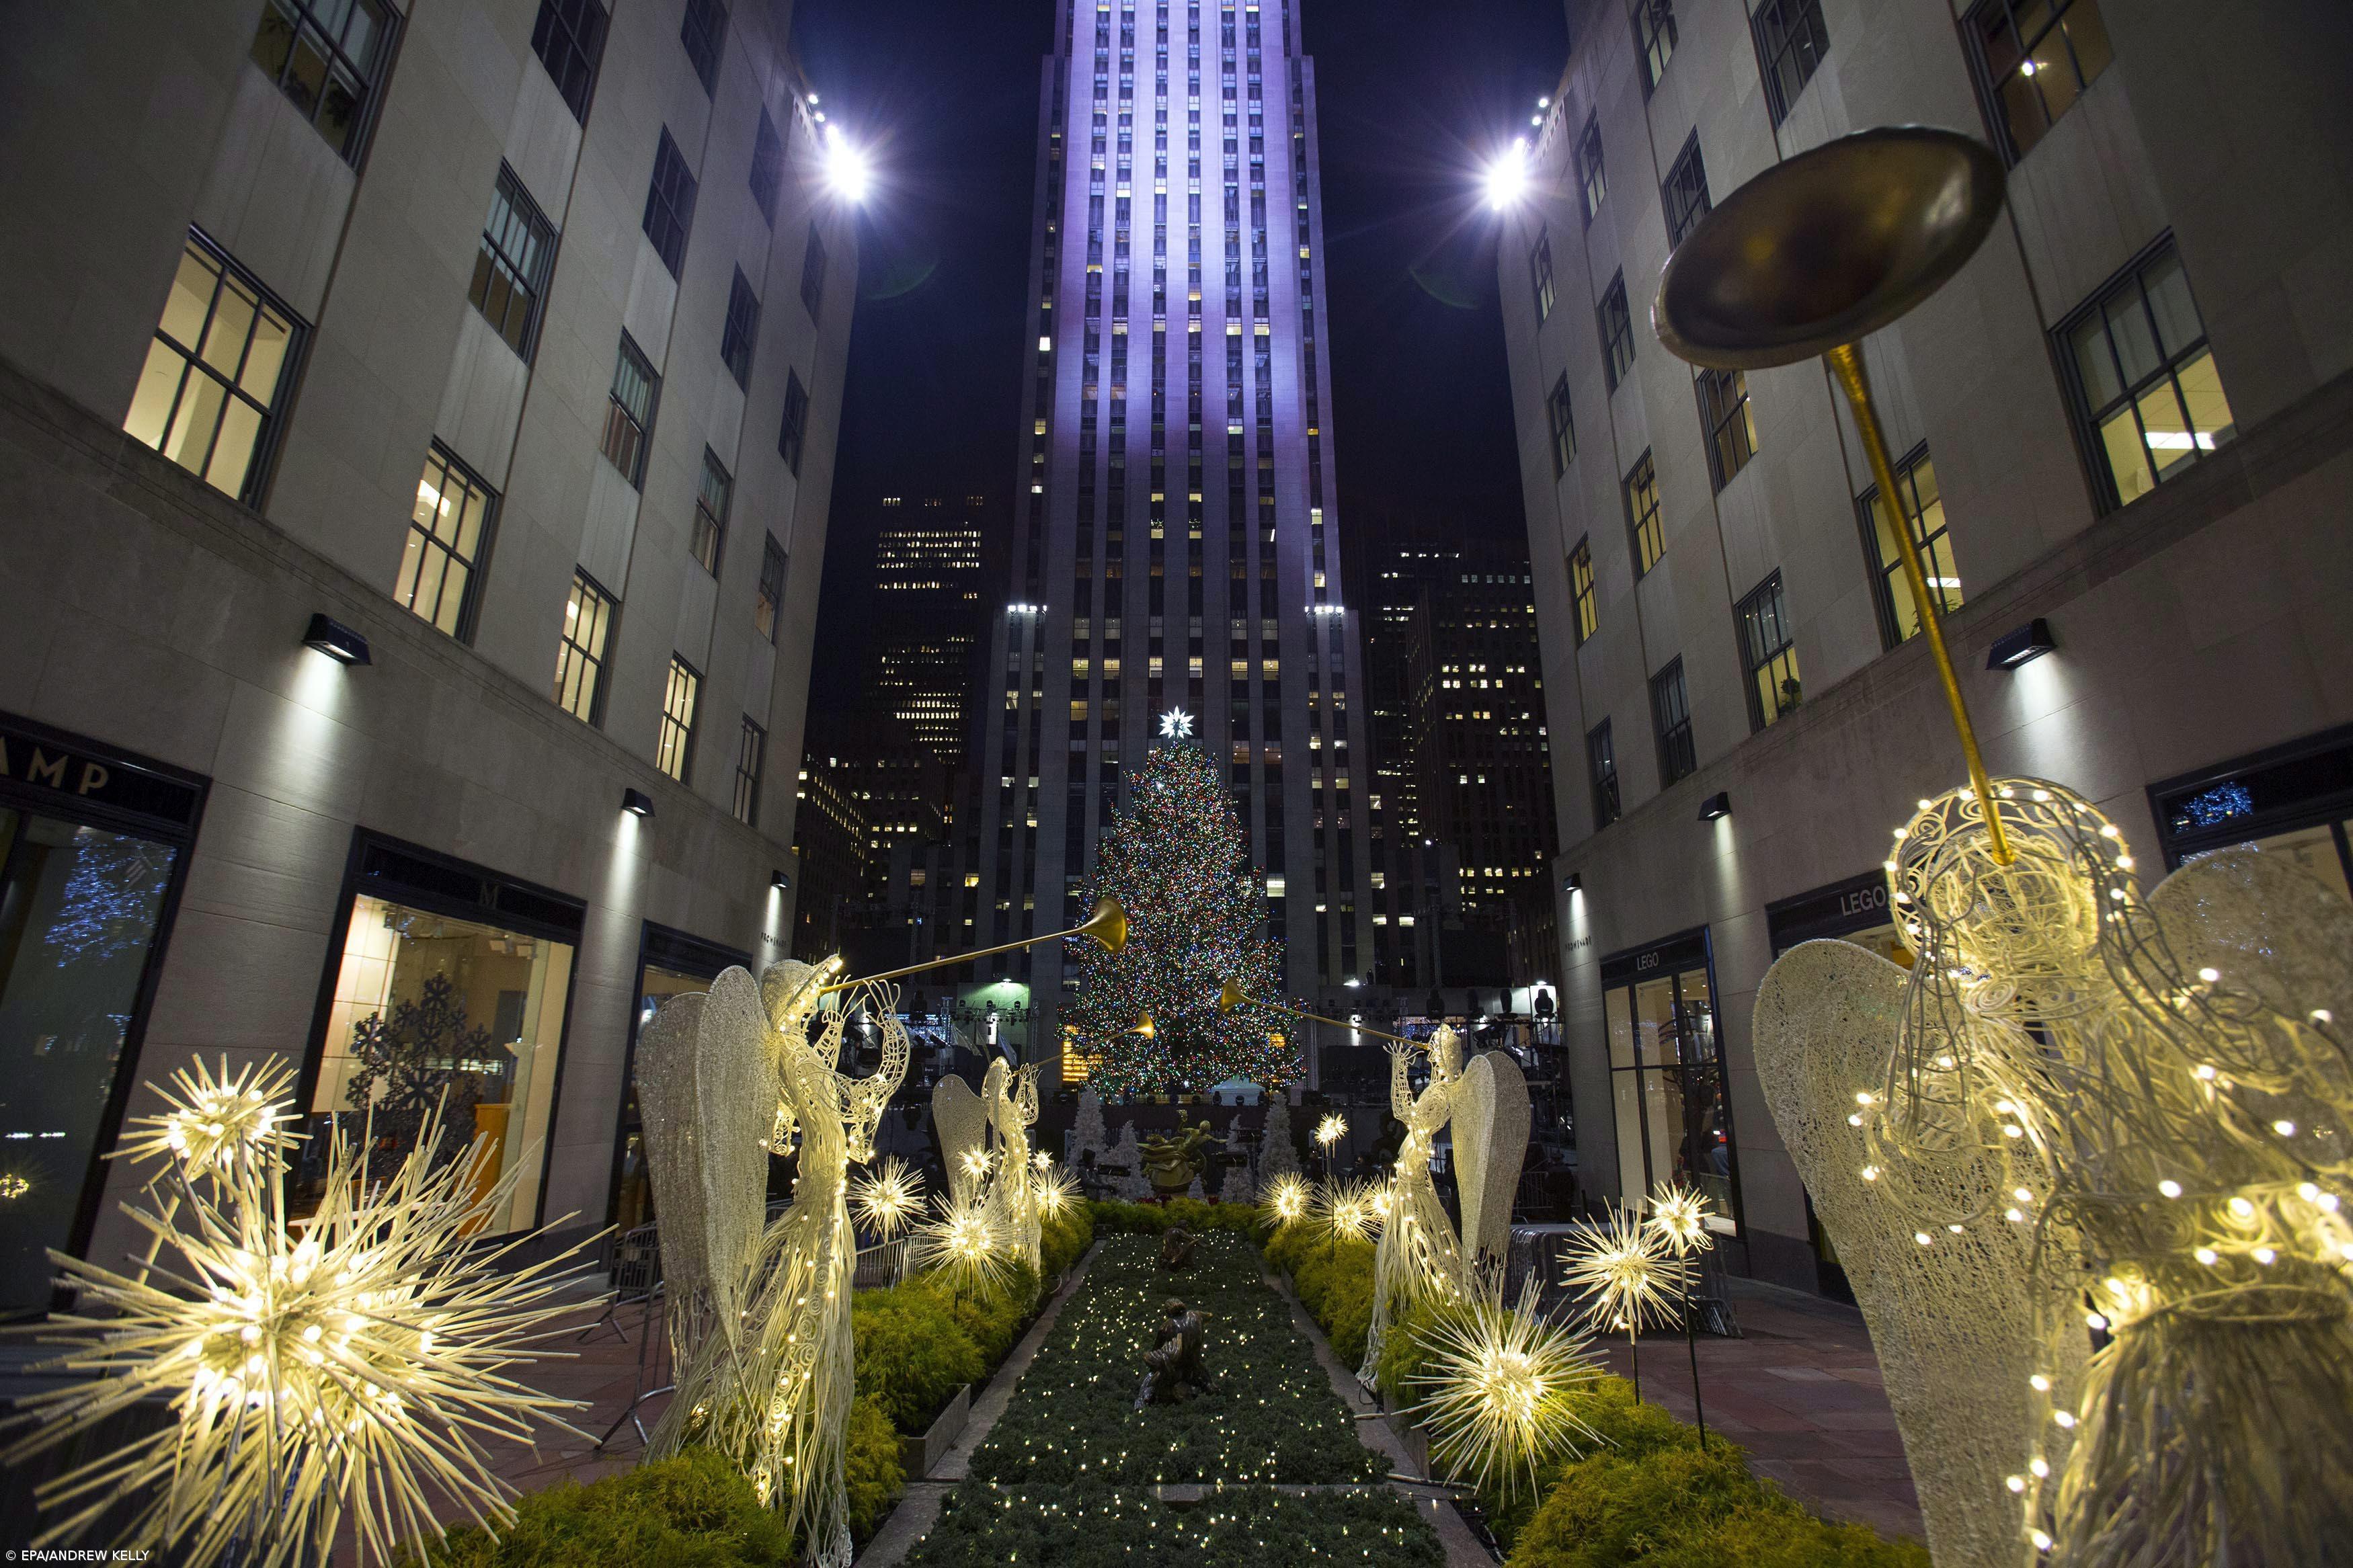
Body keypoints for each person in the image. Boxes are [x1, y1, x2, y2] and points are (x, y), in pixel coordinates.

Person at [1134, 1297, 1209, 1408]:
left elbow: (1155, 1349)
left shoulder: (1167, 1327)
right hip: (1194, 1362)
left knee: (1151, 1376)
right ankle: (1207, 1386)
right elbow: (1210, 1316)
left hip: (1177, 1367)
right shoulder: (1197, 1316)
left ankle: (1143, 1400)